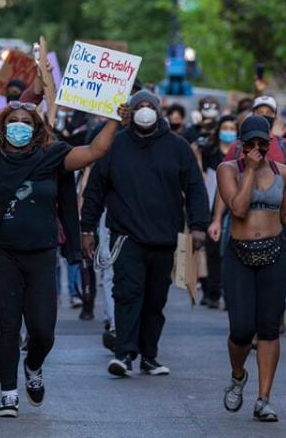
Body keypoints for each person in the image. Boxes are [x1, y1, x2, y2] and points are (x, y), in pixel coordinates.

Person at [0, 99, 122, 418]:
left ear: (37, 128)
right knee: (8, 326)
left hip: (41, 255)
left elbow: (95, 151)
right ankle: (9, 394)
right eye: (14, 121)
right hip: (3, 254)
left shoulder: (52, 157)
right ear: (3, 126)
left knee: (43, 331)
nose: (20, 126)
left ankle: (34, 365)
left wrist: (112, 119)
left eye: (27, 122)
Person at [81, 90, 209, 378]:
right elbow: (95, 190)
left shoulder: (178, 147)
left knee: (155, 300)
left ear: (158, 111)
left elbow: (195, 188)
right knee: (127, 294)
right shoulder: (114, 145)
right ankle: (124, 353)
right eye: (139, 106)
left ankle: (149, 356)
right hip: (127, 237)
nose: (144, 110)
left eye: (149, 105)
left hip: (165, 239)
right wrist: (87, 228)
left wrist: (199, 225)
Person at [217, 116, 286, 422]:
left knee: (268, 328)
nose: (257, 149)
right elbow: (239, 209)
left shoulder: (283, 173)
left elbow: (285, 215)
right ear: (241, 145)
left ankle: (264, 398)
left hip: (274, 253)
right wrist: (251, 171)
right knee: (241, 329)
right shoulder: (228, 170)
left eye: (263, 143)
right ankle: (237, 374)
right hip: (239, 254)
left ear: (270, 143)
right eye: (251, 144)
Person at [197, 115, 237, 309]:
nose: (228, 131)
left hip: (234, 206)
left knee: (231, 251)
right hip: (211, 205)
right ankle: (212, 292)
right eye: (225, 127)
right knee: (212, 250)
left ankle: (230, 294)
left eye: (232, 128)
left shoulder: (240, 155)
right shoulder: (209, 152)